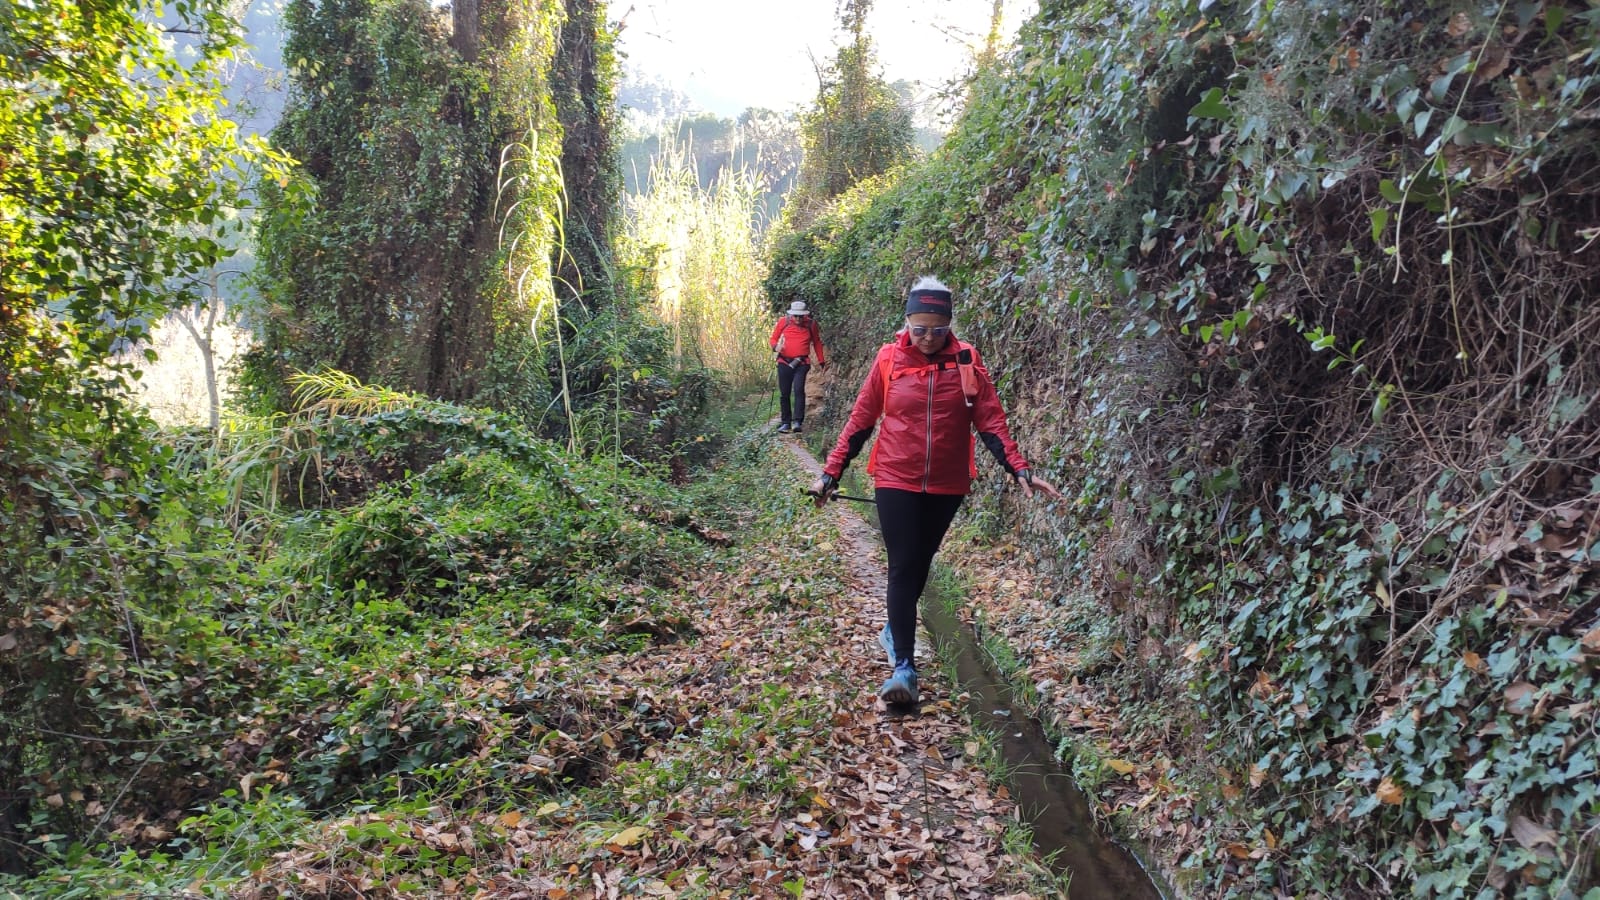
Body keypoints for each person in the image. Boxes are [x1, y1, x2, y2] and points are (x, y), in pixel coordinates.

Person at [809, 276, 1061, 705]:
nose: (927, 338)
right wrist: (831, 473)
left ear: (950, 325)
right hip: (895, 476)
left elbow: (990, 421)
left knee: (920, 563)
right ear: (907, 322)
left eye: (938, 329)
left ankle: (895, 630)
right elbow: (861, 420)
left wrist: (1017, 467)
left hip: (948, 483)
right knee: (903, 566)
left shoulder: (966, 361)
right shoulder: (889, 359)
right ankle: (904, 668)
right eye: (919, 329)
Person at [769, 300, 826, 434]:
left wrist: (821, 360)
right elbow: (773, 339)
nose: (798, 319)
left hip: (801, 363)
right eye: (795, 316)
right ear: (791, 315)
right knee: (785, 393)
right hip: (784, 361)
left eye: (801, 316)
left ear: (805, 315)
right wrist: (776, 347)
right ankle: (785, 423)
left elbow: (817, 342)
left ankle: (797, 422)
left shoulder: (811, 324)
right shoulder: (783, 322)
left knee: (799, 390)